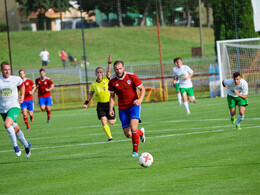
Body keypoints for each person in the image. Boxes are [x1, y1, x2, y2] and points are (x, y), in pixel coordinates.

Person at [108, 60, 146, 157]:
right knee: (128, 134)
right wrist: (111, 109)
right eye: (116, 69)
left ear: (123, 68)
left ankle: (135, 152)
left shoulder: (131, 76)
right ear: (114, 70)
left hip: (134, 105)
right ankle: (141, 132)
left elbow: (142, 89)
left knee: (133, 128)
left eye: (120, 68)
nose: (119, 71)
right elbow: (112, 96)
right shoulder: (112, 81)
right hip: (122, 108)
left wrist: (140, 100)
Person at [0, 62, 31, 158]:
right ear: (1, 70)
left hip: (14, 106)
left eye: (8, 69)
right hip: (2, 108)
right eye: (5, 69)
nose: (7, 71)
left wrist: (22, 95)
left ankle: (15, 146)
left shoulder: (15, 79)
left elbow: (22, 85)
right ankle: (26, 145)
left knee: (7, 124)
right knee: (15, 129)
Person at [83, 54, 115, 142]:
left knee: (111, 122)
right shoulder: (94, 84)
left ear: (103, 73)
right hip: (100, 105)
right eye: (98, 72)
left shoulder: (106, 79)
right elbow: (91, 94)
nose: (99, 73)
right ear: (96, 74)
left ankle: (112, 117)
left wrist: (109, 62)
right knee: (103, 121)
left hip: (109, 104)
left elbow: (109, 71)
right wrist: (86, 103)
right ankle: (110, 137)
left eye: (101, 72)